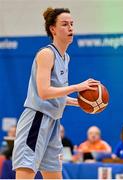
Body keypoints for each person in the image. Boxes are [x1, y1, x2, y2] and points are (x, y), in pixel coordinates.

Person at [12, 7, 100, 179]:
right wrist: (77, 87)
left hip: (53, 124)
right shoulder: (46, 54)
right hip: (36, 121)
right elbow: (44, 92)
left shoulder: (66, 57)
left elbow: (56, 93)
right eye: (65, 24)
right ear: (53, 29)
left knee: (55, 176)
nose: (70, 28)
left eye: (72, 24)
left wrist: (81, 102)